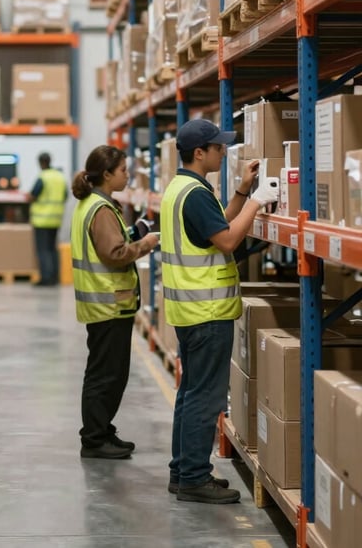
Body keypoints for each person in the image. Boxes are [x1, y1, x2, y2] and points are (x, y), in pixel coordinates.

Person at [161, 118, 279, 505]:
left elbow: (216, 226)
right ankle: (194, 478)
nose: (223, 151)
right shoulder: (194, 193)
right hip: (206, 312)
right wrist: (260, 202)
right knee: (205, 397)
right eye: (217, 147)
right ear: (200, 153)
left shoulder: (183, 188)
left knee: (190, 393)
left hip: (189, 311)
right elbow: (227, 241)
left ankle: (183, 472)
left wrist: (245, 190)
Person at [71, 145, 159, 459]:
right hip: (108, 305)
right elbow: (114, 254)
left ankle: (102, 430)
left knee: (110, 371)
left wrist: (133, 231)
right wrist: (146, 244)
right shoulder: (102, 208)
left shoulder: (94, 203)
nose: (127, 175)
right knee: (105, 374)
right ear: (107, 174)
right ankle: (94, 439)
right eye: (123, 170)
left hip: (104, 305)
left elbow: (111, 242)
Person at [29, 152, 68, 286]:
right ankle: (55, 277)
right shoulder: (60, 177)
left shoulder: (43, 177)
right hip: (56, 219)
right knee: (52, 249)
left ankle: (45, 278)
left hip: (42, 220)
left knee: (43, 250)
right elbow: (65, 196)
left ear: (41, 163)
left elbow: (33, 195)